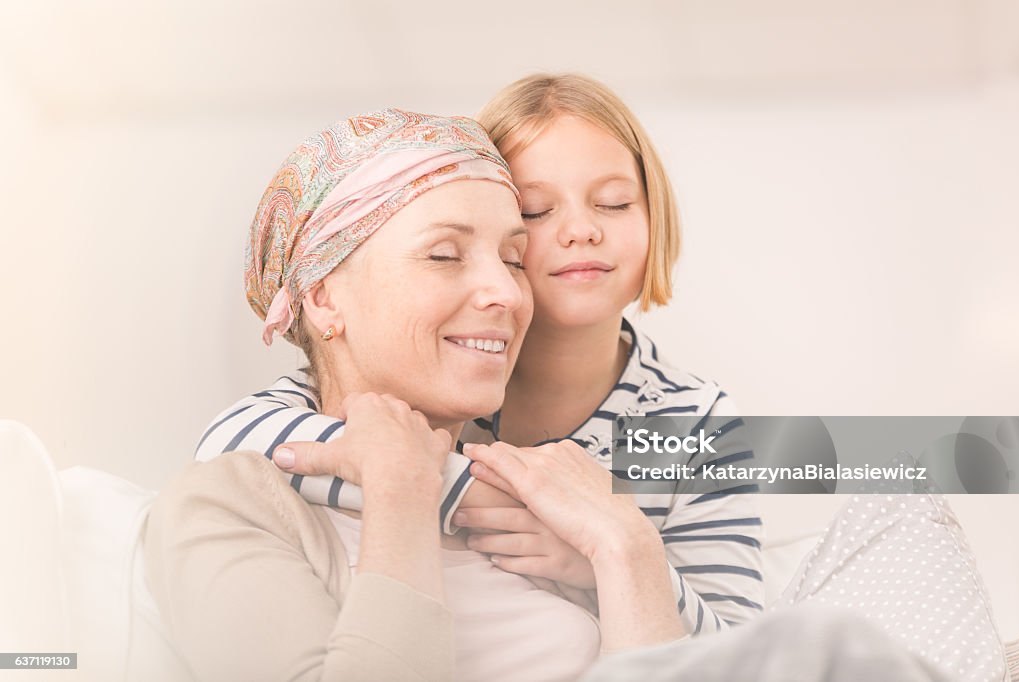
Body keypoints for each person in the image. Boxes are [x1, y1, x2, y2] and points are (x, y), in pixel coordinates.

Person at [198, 73, 765, 635]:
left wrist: (605, 557)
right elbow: (231, 443)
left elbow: (742, 649)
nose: (582, 230)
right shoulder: (447, 377)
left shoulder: (697, 419)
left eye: (615, 203)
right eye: (538, 212)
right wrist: (498, 501)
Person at [144, 109, 683, 682]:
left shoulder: (543, 502)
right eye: (444, 255)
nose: (507, 291)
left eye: (514, 260)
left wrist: (628, 547)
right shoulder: (227, 503)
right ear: (323, 298)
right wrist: (401, 494)